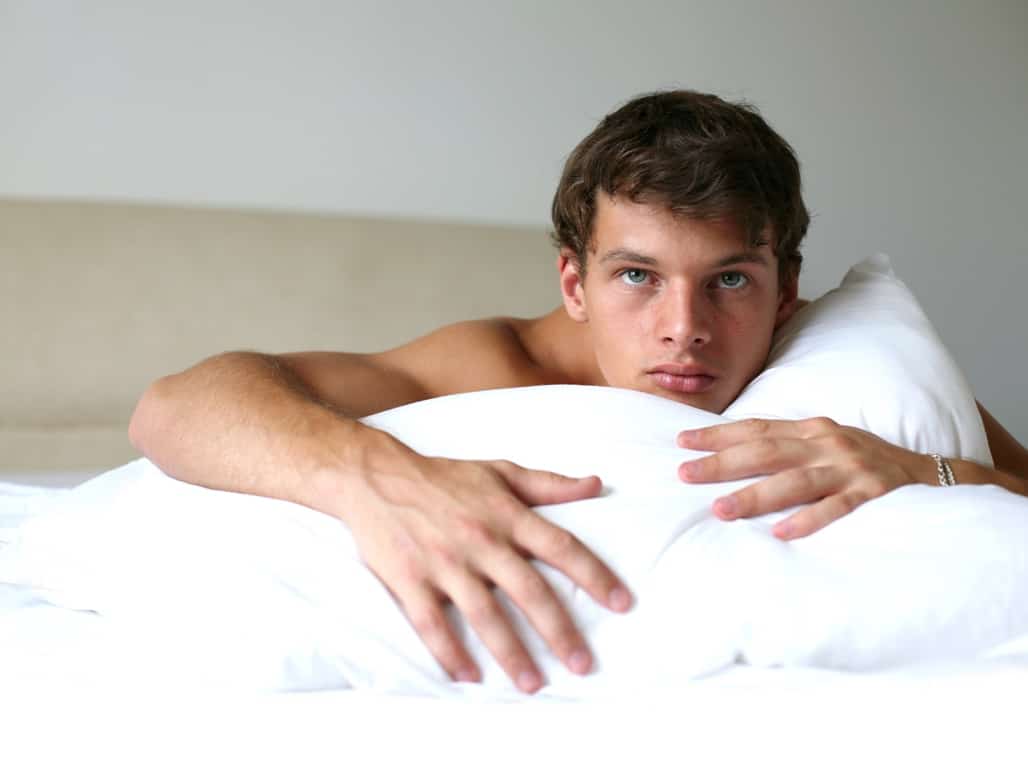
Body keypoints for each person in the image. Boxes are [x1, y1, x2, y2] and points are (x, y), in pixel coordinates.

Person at [129, 90, 1028, 694]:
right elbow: (175, 404)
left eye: (730, 280)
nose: (685, 327)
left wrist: (926, 468)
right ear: (573, 283)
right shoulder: (495, 363)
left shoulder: (844, 370)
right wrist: (374, 478)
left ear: (785, 288)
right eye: (637, 276)